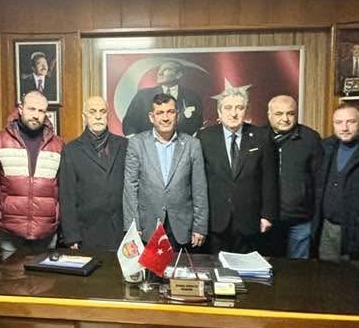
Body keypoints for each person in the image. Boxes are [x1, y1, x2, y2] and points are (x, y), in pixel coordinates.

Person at [0, 91, 64, 259]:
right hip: (10, 231)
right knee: (10, 276)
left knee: (45, 277)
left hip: (46, 231)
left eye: (41, 111)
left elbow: (63, 188)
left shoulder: (58, 145)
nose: (36, 115)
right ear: (20, 109)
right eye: (31, 109)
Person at [197, 87, 277, 253]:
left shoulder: (262, 137)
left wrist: (267, 215)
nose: (233, 113)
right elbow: (197, 182)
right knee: (216, 267)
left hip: (250, 220)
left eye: (239, 108)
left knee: (246, 267)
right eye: (228, 108)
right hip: (216, 220)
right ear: (219, 112)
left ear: (245, 111)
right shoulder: (204, 138)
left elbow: (269, 180)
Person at [124, 93, 208, 249]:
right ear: (151, 117)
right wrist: (133, 226)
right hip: (147, 227)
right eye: (160, 113)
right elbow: (130, 188)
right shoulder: (137, 144)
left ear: (177, 115)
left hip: (182, 228)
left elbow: (199, 188)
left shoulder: (192, 145)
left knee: (180, 266)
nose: (165, 118)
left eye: (170, 112)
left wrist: (200, 227)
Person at [313, 104, 359, 261]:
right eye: (338, 122)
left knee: (355, 274)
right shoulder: (325, 148)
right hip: (327, 228)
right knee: (326, 273)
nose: (344, 128)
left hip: (358, 231)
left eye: (351, 122)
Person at [59, 96, 128, 251]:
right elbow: (67, 196)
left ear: (107, 115)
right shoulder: (71, 150)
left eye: (102, 111)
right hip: (87, 233)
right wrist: (71, 236)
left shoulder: (124, 145)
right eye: (92, 112)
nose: (98, 116)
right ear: (84, 116)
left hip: (121, 231)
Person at [267, 95, 323, 258]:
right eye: (279, 114)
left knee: (298, 268)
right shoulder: (259, 137)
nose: (285, 119)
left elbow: (319, 180)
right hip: (268, 219)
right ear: (269, 114)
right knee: (270, 264)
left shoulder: (310, 138)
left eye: (290, 113)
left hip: (301, 219)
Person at [122, 61, 204, 136]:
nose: (160, 73)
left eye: (166, 69)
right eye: (159, 70)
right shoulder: (143, 96)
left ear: (178, 75)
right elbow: (129, 122)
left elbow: (197, 124)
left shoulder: (192, 97)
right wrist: (136, 142)